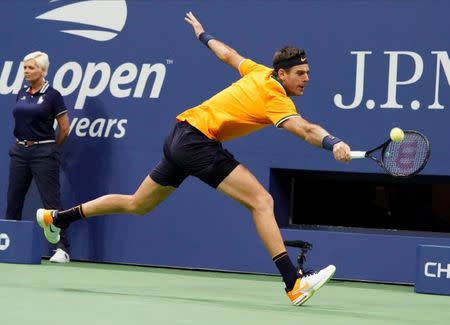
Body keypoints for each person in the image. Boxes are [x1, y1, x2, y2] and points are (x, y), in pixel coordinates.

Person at [36, 12, 351, 305]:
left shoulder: (258, 72)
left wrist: (203, 35)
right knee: (262, 202)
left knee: (137, 203)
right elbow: (305, 129)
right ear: (282, 73)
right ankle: (292, 283)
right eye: (300, 73)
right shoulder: (275, 97)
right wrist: (332, 142)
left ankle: (56, 218)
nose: (306, 78)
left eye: (308, 73)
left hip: (179, 135)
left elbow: (227, 54)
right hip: (198, 141)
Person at [5, 51, 71, 263]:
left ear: (43, 70)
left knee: (52, 203)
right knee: (13, 200)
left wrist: (51, 149)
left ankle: (62, 249)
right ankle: (8, 244)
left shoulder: (53, 95)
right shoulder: (22, 93)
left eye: (31, 68)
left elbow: (64, 128)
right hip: (19, 152)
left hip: (44, 152)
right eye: (24, 67)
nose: (26, 71)